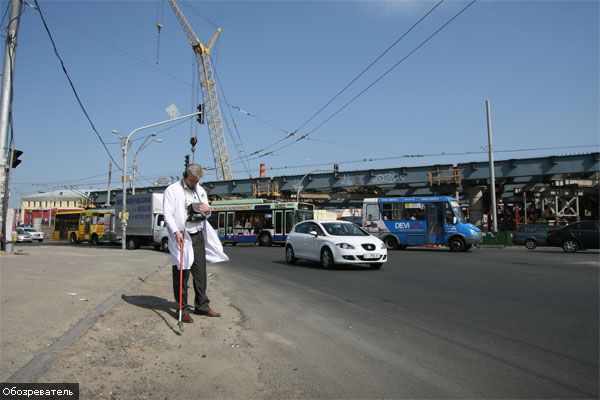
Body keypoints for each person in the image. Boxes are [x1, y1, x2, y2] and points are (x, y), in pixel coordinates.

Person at [163, 163, 228, 323]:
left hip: (198, 235)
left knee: (200, 273)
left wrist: (207, 210)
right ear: (185, 176)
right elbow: (167, 214)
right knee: (182, 274)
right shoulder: (172, 190)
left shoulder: (200, 190)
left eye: (197, 181)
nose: (194, 183)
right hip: (181, 236)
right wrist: (175, 231)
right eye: (192, 180)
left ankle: (202, 306)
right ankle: (182, 310)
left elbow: (207, 213)